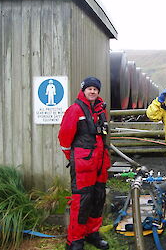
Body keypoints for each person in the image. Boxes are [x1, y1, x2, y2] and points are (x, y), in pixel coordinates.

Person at [58, 76, 110, 250]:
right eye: (89, 89)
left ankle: (92, 234)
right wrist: (73, 158)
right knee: (82, 201)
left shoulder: (101, 110)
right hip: (83, 166)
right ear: (83, 90)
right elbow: (65, 138)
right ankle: (75, 240)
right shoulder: (75, 110)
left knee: (98, 198)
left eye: (95, 89)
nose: (92, 91)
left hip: (100, 164)